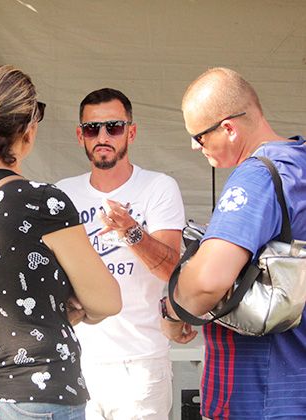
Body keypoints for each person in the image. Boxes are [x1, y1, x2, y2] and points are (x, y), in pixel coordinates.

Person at [0, 65, 121, 419]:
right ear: (28, 129)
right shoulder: (43, 202)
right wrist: (75, 309)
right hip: (36, 390)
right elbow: (107, 300)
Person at [161, 67, 306, 419]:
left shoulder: (257, 176)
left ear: (228, 128)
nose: (194, 146)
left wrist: (170, 309)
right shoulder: (298, 163)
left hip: (259, 395)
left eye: (198, 135)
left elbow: (207, 283)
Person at [56, 88, 190, 420]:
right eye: (92, 129)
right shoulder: (62, 192)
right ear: (80, 135)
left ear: (131, 131)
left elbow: (173, 268)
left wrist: (131, 231)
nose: (102, 136)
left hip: (140, 365)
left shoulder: (158, 187)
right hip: (76, 360)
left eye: (113, 127)